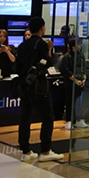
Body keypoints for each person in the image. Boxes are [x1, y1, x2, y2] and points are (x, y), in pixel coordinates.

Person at [15, 17, 63, 163]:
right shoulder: (42, 45)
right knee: (47, 117)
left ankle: (26, 150)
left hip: (24, 85)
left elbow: (17, 67)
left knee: (25, 117)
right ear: (42, 28)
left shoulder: (22, 45)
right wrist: (49, 50)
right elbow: (47, 63)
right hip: (38, 87)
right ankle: (45, 150)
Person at [59, 37, 87, 130]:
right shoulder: (66, 57)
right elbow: (66, 71)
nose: (80, 46)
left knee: (80, 102)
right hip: (70, 83)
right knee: (70, 102)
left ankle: (79, 119)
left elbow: (84, 68)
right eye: (78, 44)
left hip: (80, 82)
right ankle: (69, 120)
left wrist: (83, 79)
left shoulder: (81, 56)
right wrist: (75, 80)